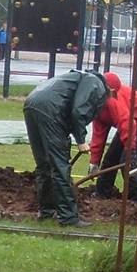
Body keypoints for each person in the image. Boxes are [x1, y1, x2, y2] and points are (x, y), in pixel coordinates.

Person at [22, 69, 109, 226]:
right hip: (50, 109)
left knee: (44, 164)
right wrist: (81, 140)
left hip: (31, 103)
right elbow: (79, 110)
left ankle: (46, 211)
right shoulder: (96, 83)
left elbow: (69, 108)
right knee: (60, 166)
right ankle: (68, 217)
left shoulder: (74, 78)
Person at [90, 71, 137, 199]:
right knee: (111, 158)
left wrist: (130, 149)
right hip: (129, 124)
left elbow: (128, 123)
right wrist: (94, 162)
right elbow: (98, 136)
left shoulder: (113, 100)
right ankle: (102, 193)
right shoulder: (98, 107)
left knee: (128, 162)